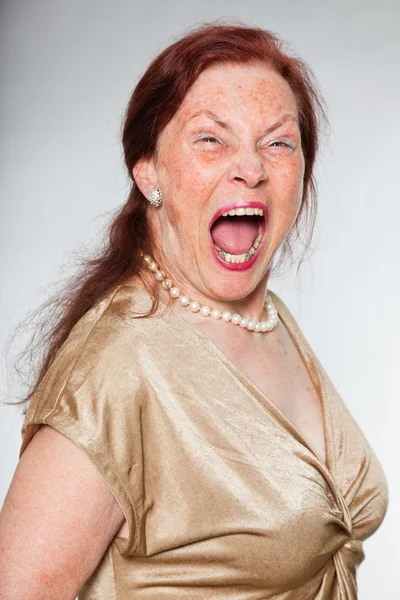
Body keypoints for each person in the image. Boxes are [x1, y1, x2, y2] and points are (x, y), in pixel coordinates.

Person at [0, 21, 388, 600]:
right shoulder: (116, 368)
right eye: (211, 139)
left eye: (278, 142)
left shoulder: (268, 319)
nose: (251, 168)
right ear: (147, 170)